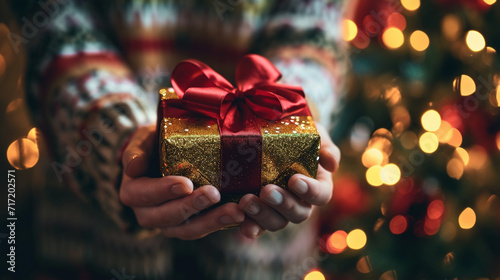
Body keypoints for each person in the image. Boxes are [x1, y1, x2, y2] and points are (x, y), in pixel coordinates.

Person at [8, 0, 345, 278]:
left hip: (261, 260)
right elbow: (54, 28)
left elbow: (316, 27)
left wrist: (295, 109)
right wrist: (116, 137)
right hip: (91, 246)